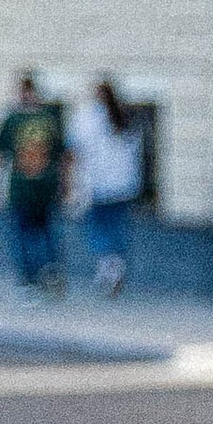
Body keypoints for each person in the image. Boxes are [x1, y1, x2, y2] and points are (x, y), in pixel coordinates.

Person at [0, 71, 69, 295]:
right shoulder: (49, 119)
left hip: (23, 188)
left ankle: (30, 279)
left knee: (23, 235)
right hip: (46, 187)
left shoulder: (13, 119)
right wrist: (64, 186)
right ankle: (51, 271)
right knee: (47, 232)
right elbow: (63, 157)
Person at [67, 77, 145, 296]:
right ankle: (116, 267)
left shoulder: (87, 117)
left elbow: (73, 150)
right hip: (124, 185)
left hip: (98, 185)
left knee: (98, 229)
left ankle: (107, 269)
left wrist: (70, 185)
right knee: (117, 228)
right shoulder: (125, 116)